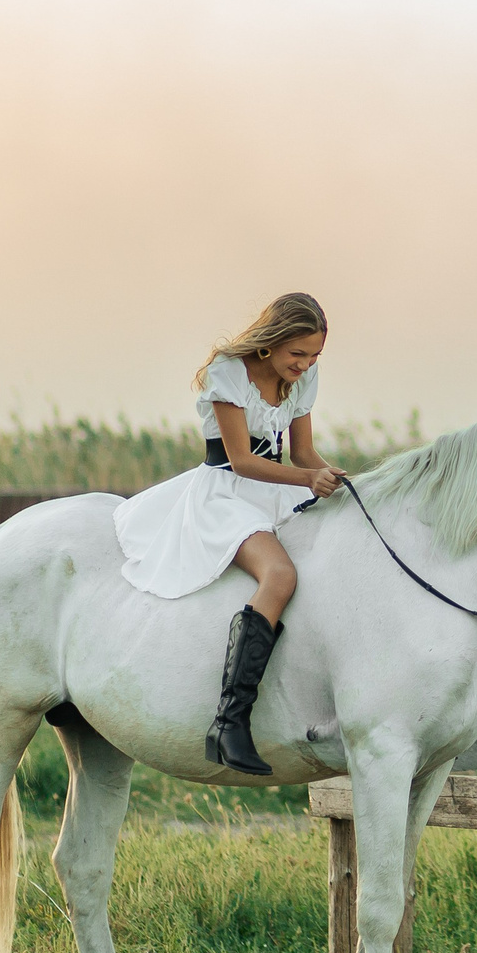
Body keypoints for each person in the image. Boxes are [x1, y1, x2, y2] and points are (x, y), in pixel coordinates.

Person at [113, 291, 350, 775]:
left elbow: (302, 453)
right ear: (271, 344)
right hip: (226, 493)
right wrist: (307, 480)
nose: (305, 365)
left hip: (275, 489)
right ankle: (230, 721)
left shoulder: (303, 379)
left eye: (314, 356)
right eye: (297, 355)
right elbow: (241, 460)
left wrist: (343, 482)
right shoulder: (228, 370)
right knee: (280, 575)